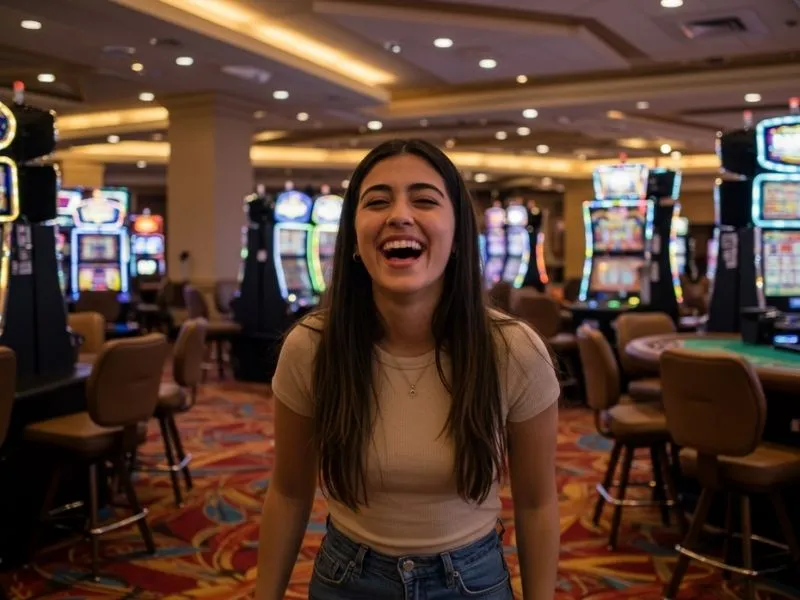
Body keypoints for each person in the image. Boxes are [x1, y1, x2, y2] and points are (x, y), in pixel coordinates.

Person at [255, 139, 560, 600]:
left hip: (470, 581)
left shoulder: (512, 350)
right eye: (377, 201)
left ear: (458, 234)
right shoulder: (311, 346)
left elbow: (537, 505)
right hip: (347, 577)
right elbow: (288, 493)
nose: (399, 215)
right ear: (354, 237)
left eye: (424, 200)